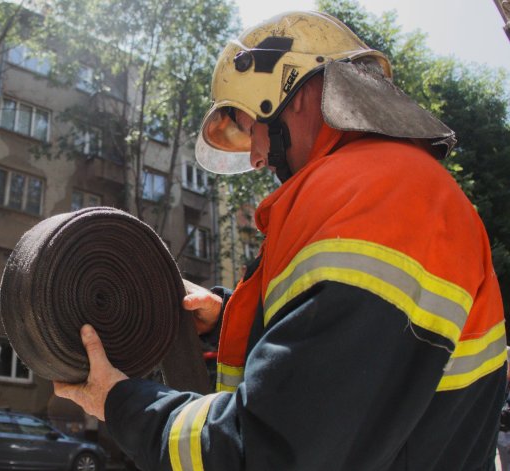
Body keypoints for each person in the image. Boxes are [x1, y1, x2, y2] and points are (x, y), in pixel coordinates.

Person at [54, 10, 506, 470]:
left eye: (251, 130)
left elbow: (268, 448)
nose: (254, 157)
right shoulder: (382, 191)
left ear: (295, 97)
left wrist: (121, 402)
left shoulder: (382, 199)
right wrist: (227, 315)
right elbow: (344, 359)